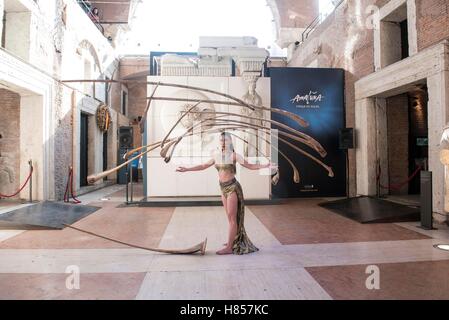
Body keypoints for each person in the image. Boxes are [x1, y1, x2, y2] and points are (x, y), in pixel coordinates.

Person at [176, 132, 277, 255]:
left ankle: (229, 247)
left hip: (233, 188)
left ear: (230, 142)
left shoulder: (234, 156)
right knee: (229, 218)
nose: (223, 142)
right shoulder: (216, 155)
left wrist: (265, 166)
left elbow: (250, 166)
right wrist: (187, 169)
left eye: (225, 140)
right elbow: (203, 166)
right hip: (223, 189)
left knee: (232, 217)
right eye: (221, 140)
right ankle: (232, 240)